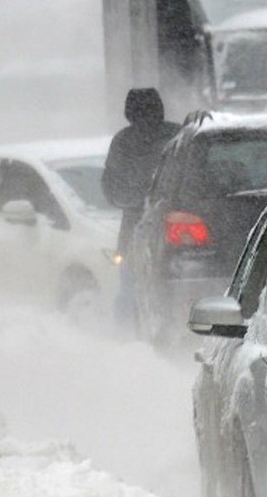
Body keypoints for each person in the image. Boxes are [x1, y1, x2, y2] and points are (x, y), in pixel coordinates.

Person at [101, 88, 180, 330]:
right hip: (175, 228)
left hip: (133, 228)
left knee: (129, 286)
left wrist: (132, 203)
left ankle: (127, 334)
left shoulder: (123, 141)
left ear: (128, 111)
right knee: (171, 285)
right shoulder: (177, 135)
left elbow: (110, 186)